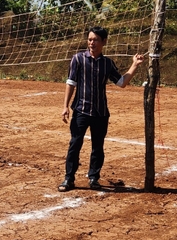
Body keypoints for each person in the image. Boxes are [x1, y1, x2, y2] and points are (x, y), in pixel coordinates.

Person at [59, 27, 144, 192]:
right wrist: (65, 107)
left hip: (100, 113)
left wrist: (134, 65)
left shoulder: (107, 63)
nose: (92, 43)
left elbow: (121, 83)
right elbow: (71, 83)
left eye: (96, 40)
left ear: (104, 42)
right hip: (81, 111)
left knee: (97, 147)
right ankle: (69, 178)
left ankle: (94, 178)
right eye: (90, 39)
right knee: (75, 144)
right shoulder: (78, 59)